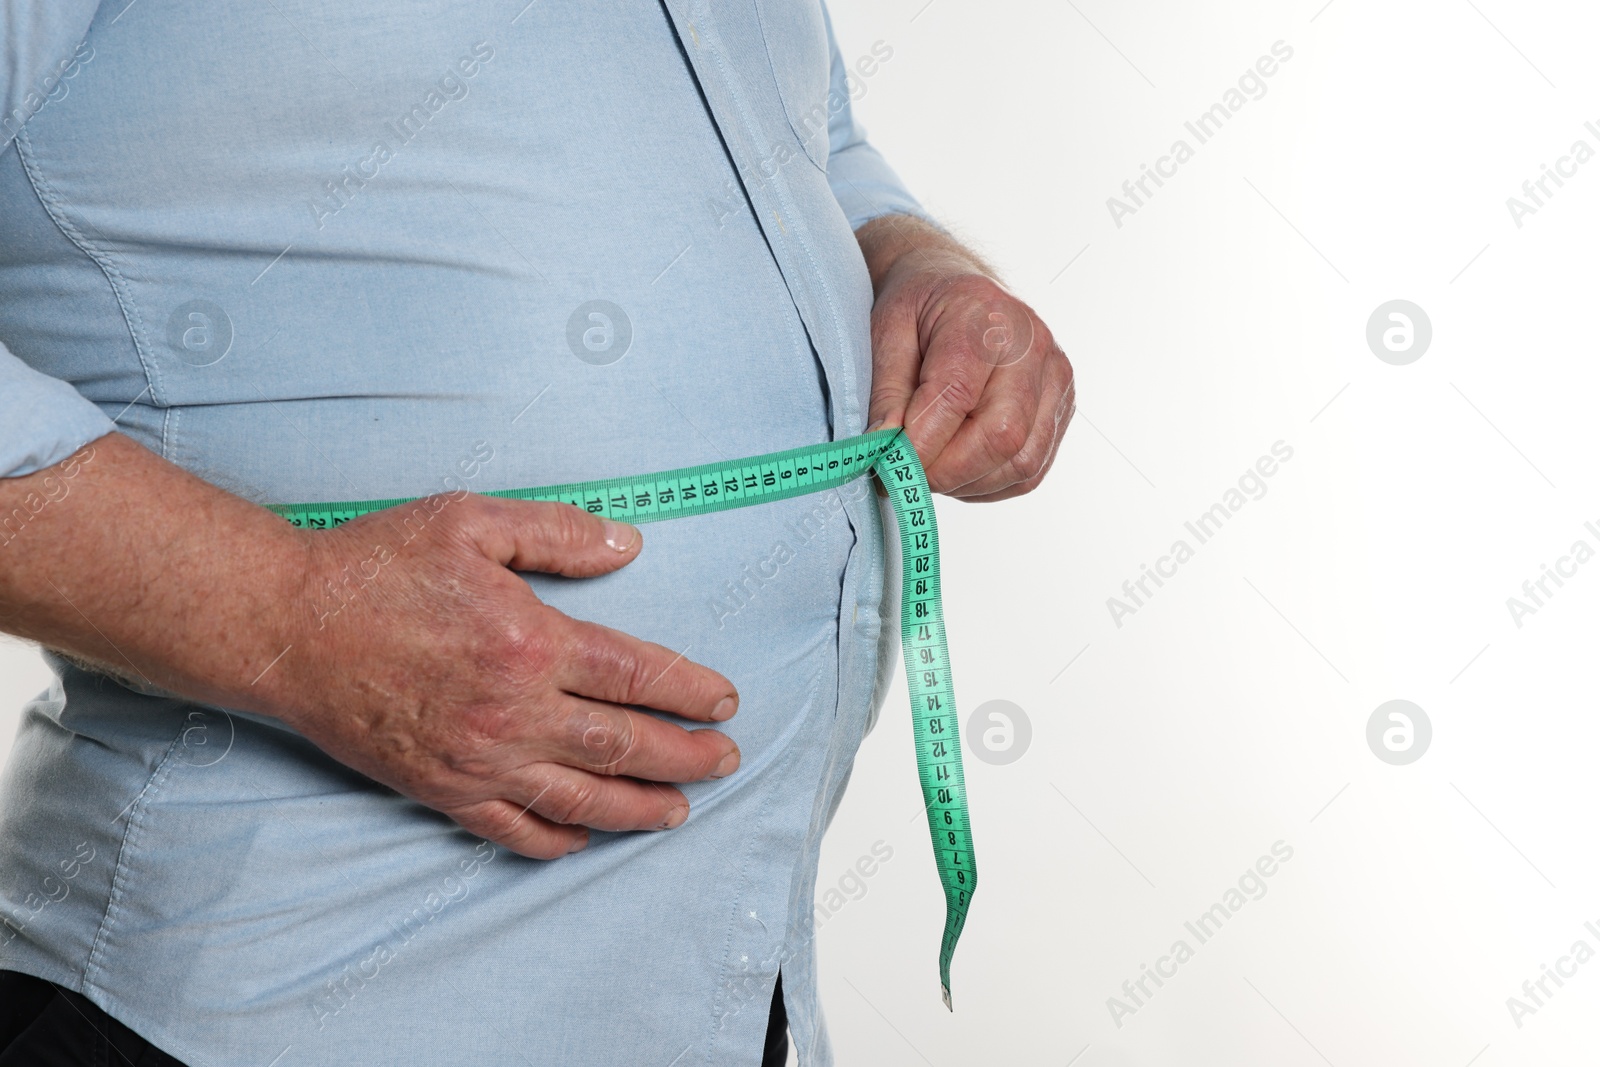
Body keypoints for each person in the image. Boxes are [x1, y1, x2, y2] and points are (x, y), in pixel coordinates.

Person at [0, 1, 1074, 1064]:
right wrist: (284, 612)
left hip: (719, 989)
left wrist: (918, 263)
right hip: (260, 1003)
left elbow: (800, 133)